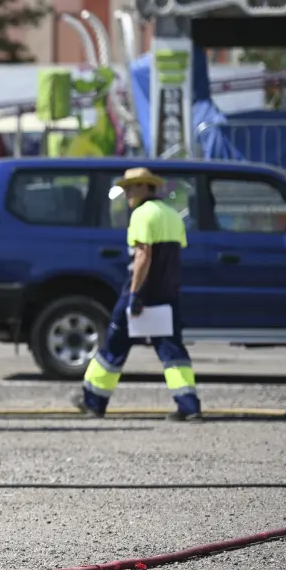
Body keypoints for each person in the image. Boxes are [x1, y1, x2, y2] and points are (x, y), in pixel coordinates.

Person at [72, 167, 203, 422]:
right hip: (167, 295)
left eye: (132, 187)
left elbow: (144, 255)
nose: (127, 193)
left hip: (141, 293)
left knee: (113, 347)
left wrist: (134, 296)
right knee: (172, 350)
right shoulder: (173, 215)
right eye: (126, 188)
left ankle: (93, 401)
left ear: (146, 187)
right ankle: (189, 405)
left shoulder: (142, 215)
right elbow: (173, 258)